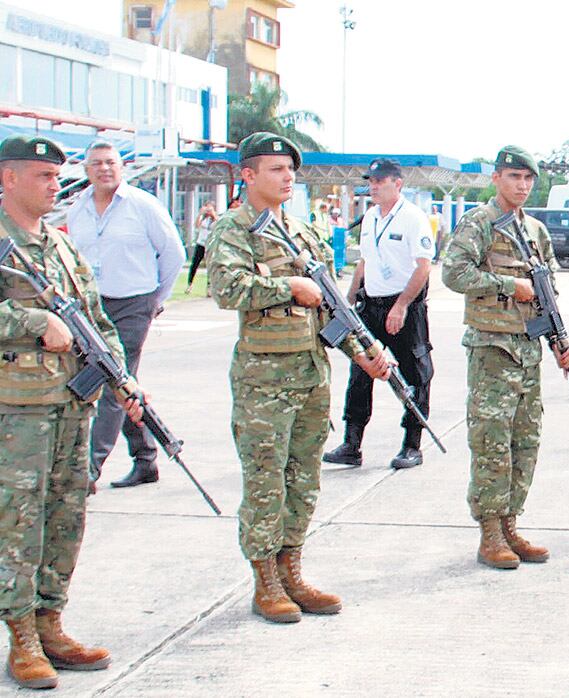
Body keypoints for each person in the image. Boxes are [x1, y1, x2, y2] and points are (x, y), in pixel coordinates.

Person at [206, 132, 391, 623]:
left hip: (310, 374)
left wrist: (364, 352)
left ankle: (292, 569)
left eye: (290, 170)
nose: (287, 177)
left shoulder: (305, 232)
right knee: (266, 481)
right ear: (248, 175)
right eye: (275, 169)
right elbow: (225, 287)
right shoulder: (235, 229)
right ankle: (265, 580)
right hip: (264, 380)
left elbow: (332, 308)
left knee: (303, 480)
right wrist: (286, 285)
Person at [0, 135, 148, 689]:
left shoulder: (62, 248)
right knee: (19, 523)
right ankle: (20, 637)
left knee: (66, 518)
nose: (55, 183)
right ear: (9, 178)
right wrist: (32, 323)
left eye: (57, 174)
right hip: (16, 413)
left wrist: (123, 380)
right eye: (42, 175)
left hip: (71, 409)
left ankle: (50, 623)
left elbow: (96, 319)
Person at [441, 145, 569, 570]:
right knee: (492, 444)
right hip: (492, 352)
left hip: (528, 351)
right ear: (497, 178)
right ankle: (490, 534)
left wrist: (560, 340)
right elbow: (453, 273)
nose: (522, 185)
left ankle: (511, 524)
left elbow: (548, 287)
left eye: (528, 179)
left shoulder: (535, 230)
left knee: (525, 442)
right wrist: (507, 285)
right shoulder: (479, 223)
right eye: (514, 177)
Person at [66, 141, 186, 490]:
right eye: (96, 163)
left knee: (111, 380)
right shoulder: (78, 209)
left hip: (134, 303)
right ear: (86, 170)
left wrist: (155, 299)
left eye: (111, 162)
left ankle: (90, 469)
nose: (104, 169)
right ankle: (145, 458)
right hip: (92, 306)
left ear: (122, 167)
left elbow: (173, 254)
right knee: (123, 382)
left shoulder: (142, 205)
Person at [323, 158, 436, 470]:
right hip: (370, 306)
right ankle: (351, 443)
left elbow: (423, 266)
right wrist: (348, 299)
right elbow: (364, 261)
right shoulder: (370, 217)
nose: (372, 186)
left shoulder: (413, 218)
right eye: (371, 181)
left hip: (404, 307)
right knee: (361, 372)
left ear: (397, 184)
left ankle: (412, 445)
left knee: (415, 374)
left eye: (379, 181)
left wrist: (400, 305)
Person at [186, 199, 218, 291]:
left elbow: (218, 225)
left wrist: (213, 214)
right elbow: (196, 225)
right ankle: (190, 284)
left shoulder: (216, 218)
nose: (208, 211)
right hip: (201, 243)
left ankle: (209, 287)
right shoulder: (203, 218)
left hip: (210, 244)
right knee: (195, 264)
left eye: (210, 208)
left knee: (210, 265)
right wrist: (200, 214)